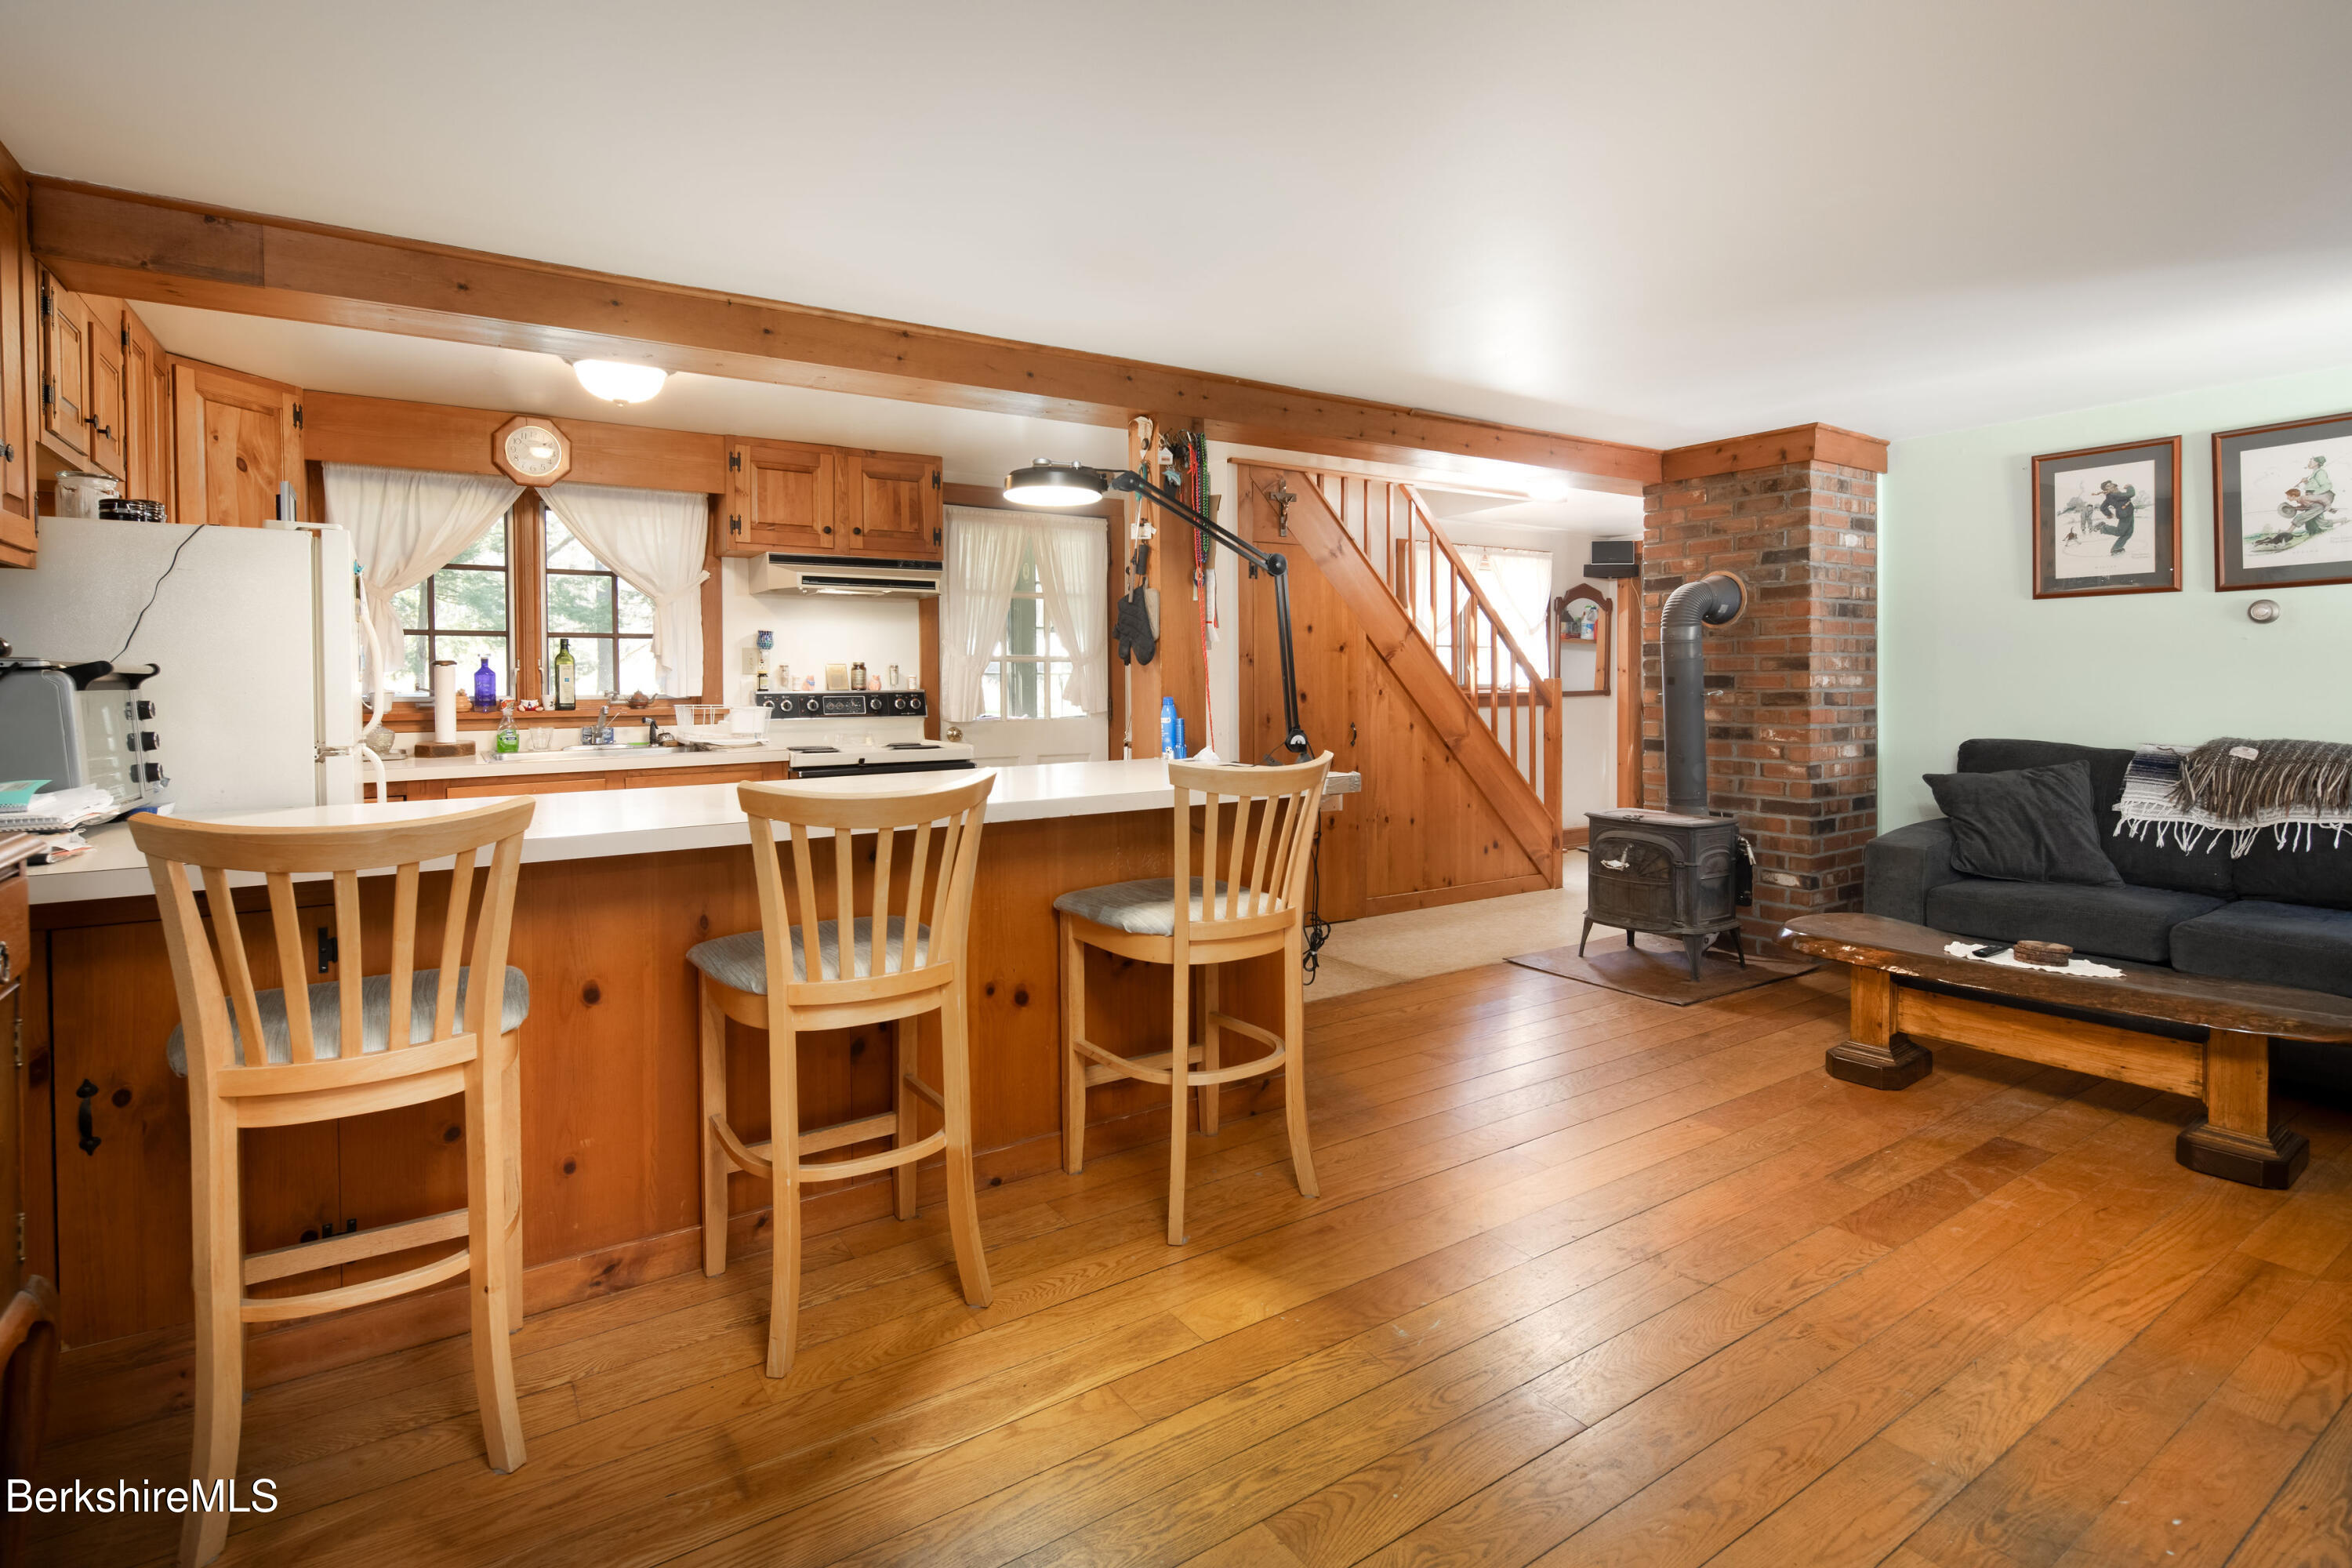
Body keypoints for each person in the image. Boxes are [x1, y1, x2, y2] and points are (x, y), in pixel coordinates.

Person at [2092, 479, 2136, 555]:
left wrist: (2108, 514)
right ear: (2106, 489)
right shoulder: (2115, 495)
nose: (2111, 485)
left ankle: (2116, 549)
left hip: (2128, 513)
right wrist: (2130, 487)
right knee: (2120, 532)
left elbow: (2103, 507)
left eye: (2111, 484)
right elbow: (2131, 494)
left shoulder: (2110, 496)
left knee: (2128, 533)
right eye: (2108, 486)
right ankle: (2103, 527)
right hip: (2125, 515)